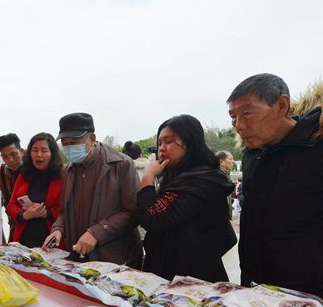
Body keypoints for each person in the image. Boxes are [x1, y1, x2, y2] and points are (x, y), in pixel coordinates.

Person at [227, 73, 323, 295]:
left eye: (247, 113)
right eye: (233, 117)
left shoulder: (316, 148)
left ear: (282, 105)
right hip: (256, 285)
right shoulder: (252, 155)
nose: (239, 125)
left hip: (309, 292)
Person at [137, 115, 237, 282]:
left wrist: (147, 178)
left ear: (191, 143)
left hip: (190, 276)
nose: (161, 148)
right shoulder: (179, 175)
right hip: (172, 267)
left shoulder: (199, 181)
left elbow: (152, 218)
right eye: (160, 143)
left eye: (168, 142)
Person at [44, 113, 142, 267]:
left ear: (92, 138)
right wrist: (58, 230)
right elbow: (64, 211)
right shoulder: (68, 171)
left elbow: (133, 212)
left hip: (116, 259)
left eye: (74, 142)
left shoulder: (121, 165)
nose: (69, 148)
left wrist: (97, 232)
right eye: (65, 143)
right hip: (80, 258)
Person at [6, 133, 63, 248]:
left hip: (51, 242)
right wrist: (25, 215)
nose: (39, 155)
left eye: (44, 150)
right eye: (35, 150)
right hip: (23, 241)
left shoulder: (63, 176)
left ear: (53, 153)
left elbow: (68, 211)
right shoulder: (24, 175)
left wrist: (45, 212)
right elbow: (11, 205)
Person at [0, 133, 23, 241]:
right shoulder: (2, 172)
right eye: (5, 156)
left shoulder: (32, 169)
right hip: (15, 220)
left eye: (14, 154)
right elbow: (7, 200)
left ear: (22, 151)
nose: (10, 160)